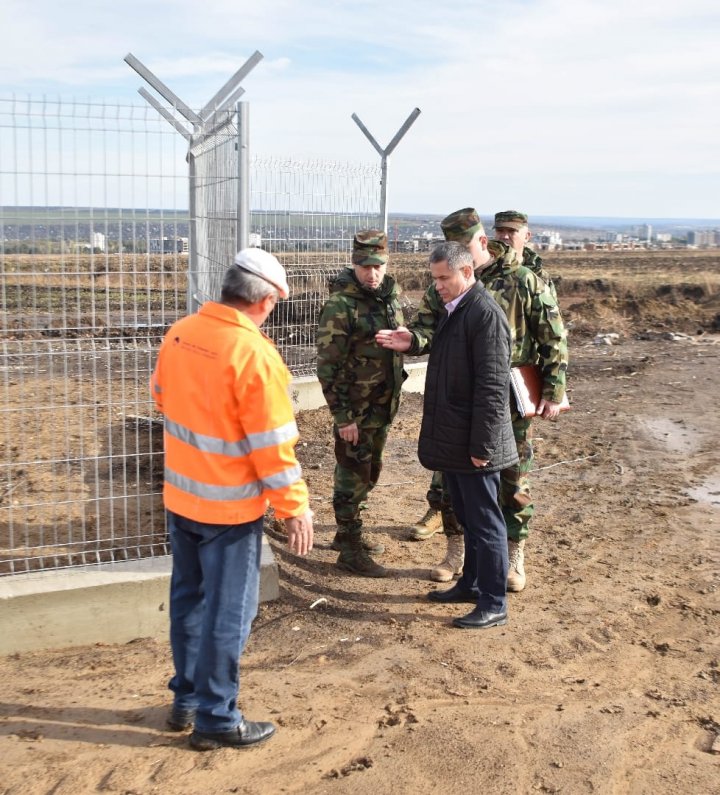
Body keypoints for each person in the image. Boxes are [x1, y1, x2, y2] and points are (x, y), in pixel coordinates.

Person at [150, 247, 314, 751]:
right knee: (229, 613)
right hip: (229, 510)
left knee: (188, 602)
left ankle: (188, 699)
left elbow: (160, 395)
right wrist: (294, 508)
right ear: (266, 302)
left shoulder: (180, 333)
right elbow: (272, 447)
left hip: (181, 497)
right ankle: (217, 718)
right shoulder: (255, 356)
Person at [379, 208, 568, 592]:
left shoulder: (523, 280)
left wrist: (554, 390)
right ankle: (457, 551)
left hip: (509, 394)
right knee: (450, 478)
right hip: (457, 397)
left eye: (463, 247)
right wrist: (412, 340)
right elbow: (428, 331)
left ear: (481, 243)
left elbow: (552, 336)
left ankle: (513, 554)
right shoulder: (443, 284)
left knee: (511, 477)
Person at [418, 241, 518, 628]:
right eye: (435, 278)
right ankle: (472, 585)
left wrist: (482, 446)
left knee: (486, 522)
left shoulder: (485, 315)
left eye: (443, 278)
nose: (437, 286)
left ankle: (494, 602)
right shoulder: (457, 310)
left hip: (476, 445)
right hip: (458, 440)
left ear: (467, 272)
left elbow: (493, 388)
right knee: (467, 516)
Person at [316, 230, 406, 578]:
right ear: (354, 264)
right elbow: (327, 365)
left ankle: (345, 535)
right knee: (352, 474)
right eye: (365, 266)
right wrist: (343, 417)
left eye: (378, 266)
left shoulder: (388, 297)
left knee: (370, 472)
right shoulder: (341, 305)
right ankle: (350, 549)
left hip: (382, 406)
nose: (372, 273)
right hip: (356, 411)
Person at [493, 210, 558, 301]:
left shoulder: (539, 277)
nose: (505, 237)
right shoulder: (482, 271)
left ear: (527, 237)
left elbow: (550, 314)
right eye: (500, 231)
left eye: (512, 231)